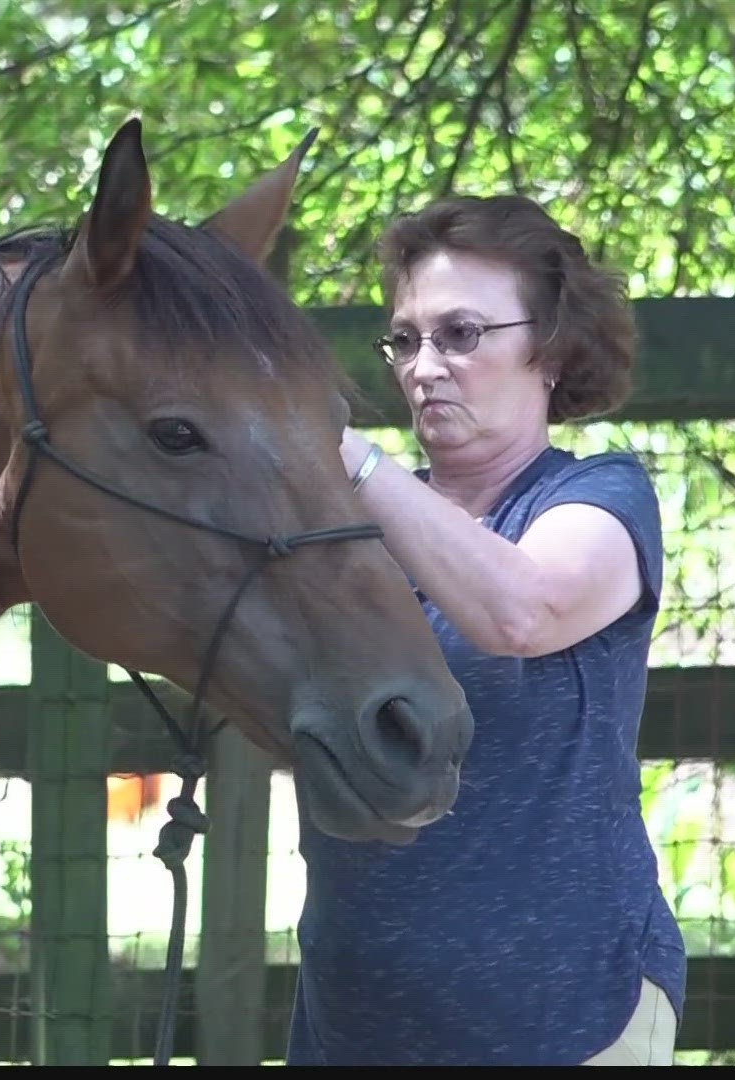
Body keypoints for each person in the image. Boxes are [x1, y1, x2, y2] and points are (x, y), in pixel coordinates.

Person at [286, 194, 685, 1066]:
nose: (424, 366)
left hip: (569, 1016)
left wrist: (343, 451)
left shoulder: (600, 496)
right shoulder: (346, 524)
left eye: (460, 334)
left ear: (550, 349)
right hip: (349, 1024)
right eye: (405, 339)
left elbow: (523, 610)